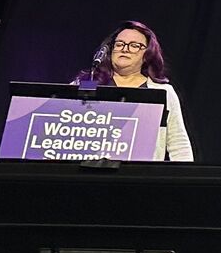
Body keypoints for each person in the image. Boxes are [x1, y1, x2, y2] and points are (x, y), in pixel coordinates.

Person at [78, 20, 193, 162]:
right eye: (119, 44)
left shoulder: (163, 92)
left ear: (147, 54)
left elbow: (178, 143)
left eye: (134, 46)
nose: (125, 49)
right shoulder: (86, 84)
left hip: (141, 177)